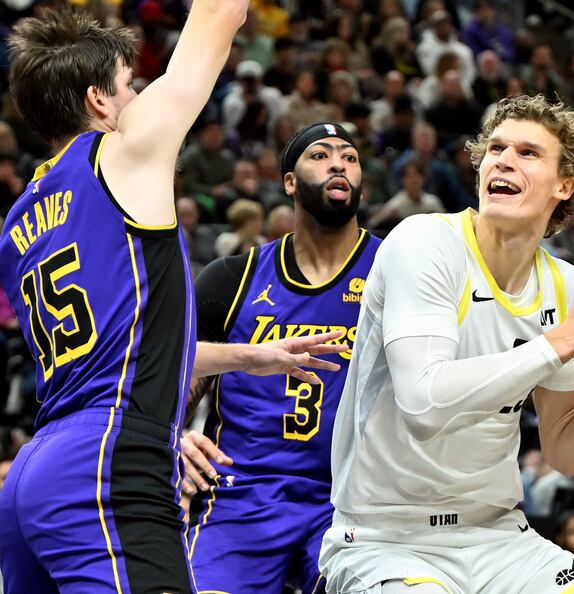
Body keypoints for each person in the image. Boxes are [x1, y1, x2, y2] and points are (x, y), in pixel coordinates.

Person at [0, 9, 342, 594]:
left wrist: (250, 358)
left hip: (35, 473)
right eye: (131, 85)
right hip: (107, 464)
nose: (139, 97)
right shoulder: (121, 153)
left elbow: (120, 344)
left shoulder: (15, 224)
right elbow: (217, 13)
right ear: (100, 102)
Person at [319, 94, 574, 593]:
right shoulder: (424, 243)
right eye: (496, 148)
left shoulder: (565, 285)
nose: (503, 159)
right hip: (387, 539)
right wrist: (563, 341)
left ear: (564, 185)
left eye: (528, 153)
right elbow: (423, 404)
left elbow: (566, 449)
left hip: (499, 536)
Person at [181, 122, 381, 594]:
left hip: (350, 500)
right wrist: (172, 435)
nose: (338, 163)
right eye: (321, 155)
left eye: (349, 158)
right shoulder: (232, 278)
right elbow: (172, 370)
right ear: (288, 181)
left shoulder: (396, 269)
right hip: (240, 493)